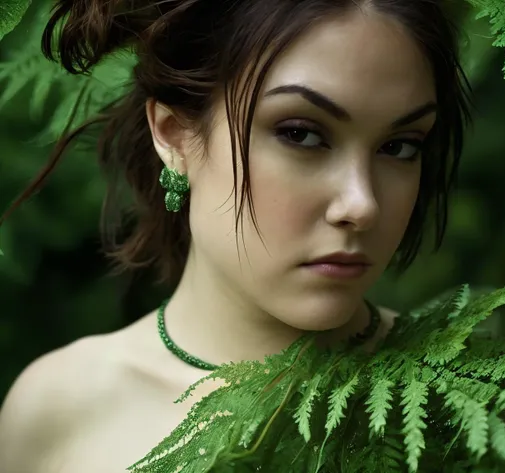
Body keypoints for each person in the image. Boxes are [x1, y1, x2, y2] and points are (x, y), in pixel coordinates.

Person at [0, 0, 472, 471]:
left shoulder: (466, 399)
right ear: (173, 133)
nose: (361, 204)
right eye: (301, 134)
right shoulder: (58, 411)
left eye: (399, 146)